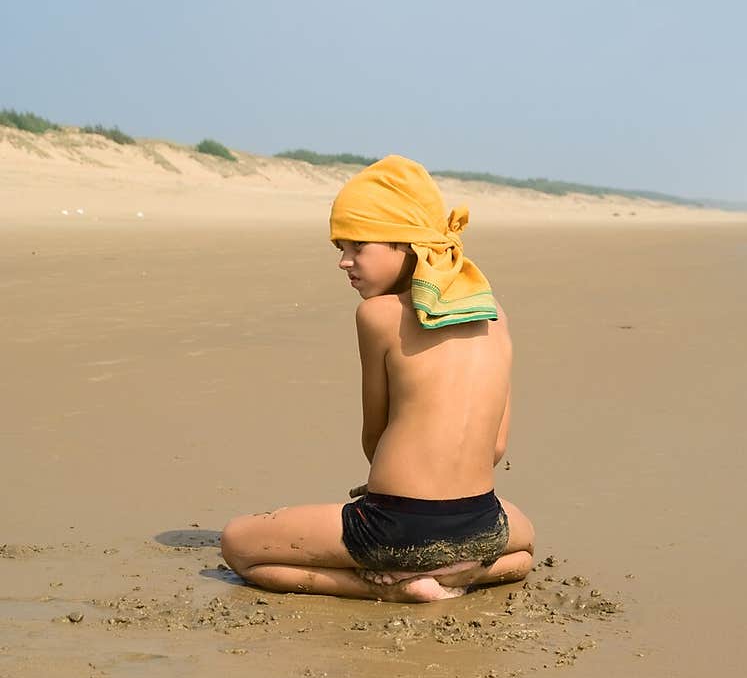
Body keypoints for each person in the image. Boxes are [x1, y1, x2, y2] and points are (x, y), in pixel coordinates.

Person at [220, 155, 534, 602]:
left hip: (395, 524)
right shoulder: (494, 314)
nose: (345, 263)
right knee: (521, 549)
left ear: (406, 245)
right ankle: (457, 572)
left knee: (240, 544)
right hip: (478, 522)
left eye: (357, 247)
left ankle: (388, 586)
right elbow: (496, 448)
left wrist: (391, 489)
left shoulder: (378, 315)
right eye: (340, 249)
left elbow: (375, 435)